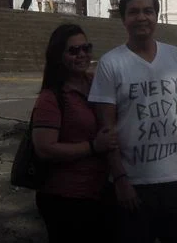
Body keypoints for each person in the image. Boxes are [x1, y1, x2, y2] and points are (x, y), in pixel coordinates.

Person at [89, 0, 177, 243]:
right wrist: (119, 179)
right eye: (134, 12)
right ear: (123, 19)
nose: (142, 18)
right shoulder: (111, 63)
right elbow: (106, 128)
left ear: (157, 16)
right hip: (134, 182)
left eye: (148, 11)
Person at [32, 24, 118, 243]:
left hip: (100, 191)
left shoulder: (95, 82)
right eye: (73, 51)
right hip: (66, 197)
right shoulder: (51, 97)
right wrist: (93, 147)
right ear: (59, 56)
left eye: (86, 48)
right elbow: (44, 148)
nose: (82, 55)